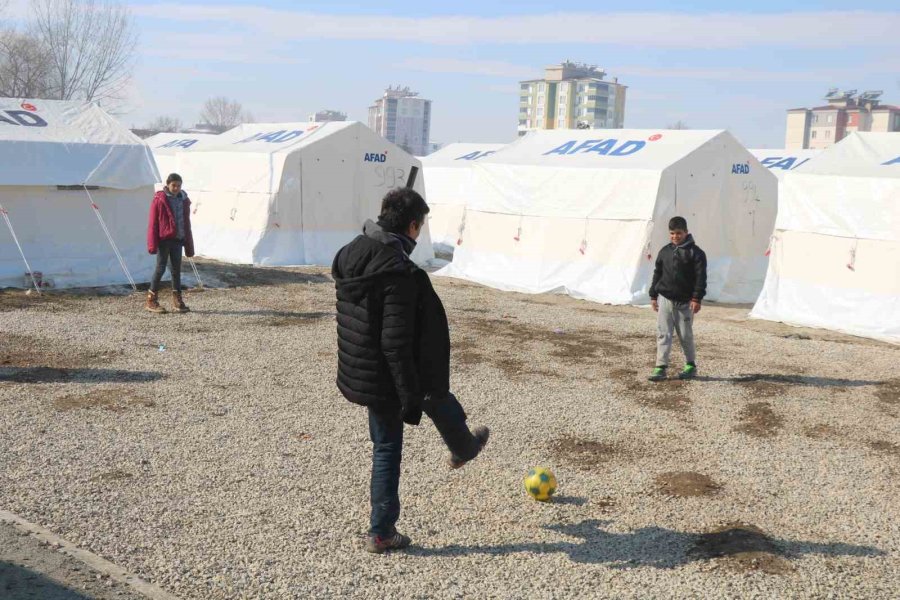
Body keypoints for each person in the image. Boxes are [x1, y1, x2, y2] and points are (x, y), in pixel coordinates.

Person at [332, 187, 490, 554]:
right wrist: (407, 396)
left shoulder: (352, 252)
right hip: (386, 372)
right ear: (414, 227)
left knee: (433, 394)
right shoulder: (398, 271)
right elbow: (394, 341)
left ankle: (464, 446)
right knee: (388, 447)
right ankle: (382, 532)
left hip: (362, 368)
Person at [648, 216, 707, 382]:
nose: (675, 236)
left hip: (685, 302)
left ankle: (690, 365)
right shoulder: (664, 251)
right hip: (665, 300)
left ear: (686, 232)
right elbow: (657, 273)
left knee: (685, 334)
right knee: (663, 333)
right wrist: (653, 294)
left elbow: (700, 278)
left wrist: (696, 298)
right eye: (672, 233)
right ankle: (660, 367)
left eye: (679, 233)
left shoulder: (696, 253)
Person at [146, 173, 195, 314]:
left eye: (179, 185)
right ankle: (151, 299)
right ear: (167, 184)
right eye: (174, 185)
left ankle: (177, 300)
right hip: (164, 239)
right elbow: (153, 223)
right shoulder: (160, 199)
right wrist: (152, 243)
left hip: (178, 239)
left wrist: (187, 239)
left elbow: (186, 222)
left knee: (176, 270)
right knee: (160, 268)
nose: (176, 188)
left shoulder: (183, 200)